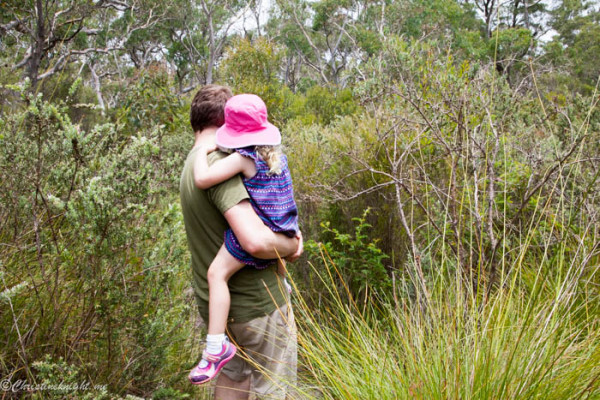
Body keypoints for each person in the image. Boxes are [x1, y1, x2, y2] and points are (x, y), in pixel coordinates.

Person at [179, 85, 301, 400]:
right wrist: (293, 246)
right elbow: (255, 242)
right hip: (256, 306)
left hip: (219, 310)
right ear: (225, 125)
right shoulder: (225, 162)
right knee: (273, 389)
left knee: (233, 380)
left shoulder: (194, 161)